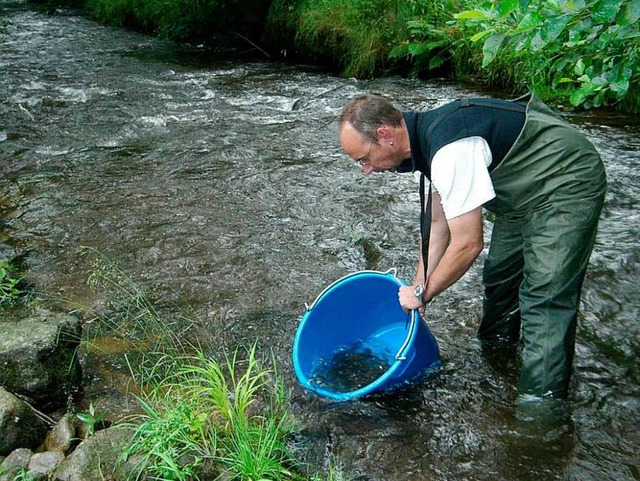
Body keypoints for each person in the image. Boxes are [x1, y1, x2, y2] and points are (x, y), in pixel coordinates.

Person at [338, 92, 606, 399]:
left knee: (544, 296)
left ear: (385, 136)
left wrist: (425, 292)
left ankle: (539, 408)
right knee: (501, 279)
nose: (366, 170)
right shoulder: (425, 144)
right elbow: (438, 228)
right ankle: (496, 355)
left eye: (363, 159)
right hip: (521, 195)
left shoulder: (451, 149)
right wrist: (418, 286)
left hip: (566, 181)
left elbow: (467, 244)